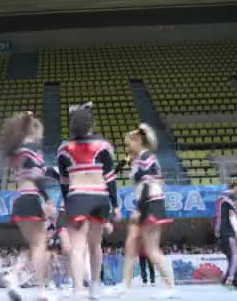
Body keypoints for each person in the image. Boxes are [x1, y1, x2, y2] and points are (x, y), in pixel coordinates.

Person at [56, 102, 119, 299]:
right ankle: (95, 286)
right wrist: (115, 205)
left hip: (77, 196)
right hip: (99, 197)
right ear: (91, 124)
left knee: (77, 247)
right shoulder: (104, 146)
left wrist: (67, 204)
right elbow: (110, 178)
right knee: (95, 245)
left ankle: (77, 290)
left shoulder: (64, 149)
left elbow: (64, 183)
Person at [113, 124, 175, 298]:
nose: (127, 147)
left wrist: (139, 209)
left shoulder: (146, 156)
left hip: (150, 203)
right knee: (131, 243)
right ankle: (125, 284)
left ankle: (170, 288)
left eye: (129, 143)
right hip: (143, 202)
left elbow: (148, 183)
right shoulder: (138, 158)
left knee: (152, 249)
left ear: (138, 140)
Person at [2, 111, 57, 301]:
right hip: (32, 198)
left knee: (34, 245)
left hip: (19, 199)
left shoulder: (15, 151)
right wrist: (48, 199)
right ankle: (40, 290)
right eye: (39, 132)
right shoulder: (33, 149)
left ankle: (14, 275)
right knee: (40, 244)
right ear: (33, 130)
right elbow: (36, 177)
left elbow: (32, 173)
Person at [215, 178, 237, 289]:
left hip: (223, 232)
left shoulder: (222, 196)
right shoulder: (232, 196)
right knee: (236, 255)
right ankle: (231, 279)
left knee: (231, 258)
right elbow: (232, 217)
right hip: (229, 231)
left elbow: (218, 216)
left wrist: (217, 229)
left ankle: (228, 280)